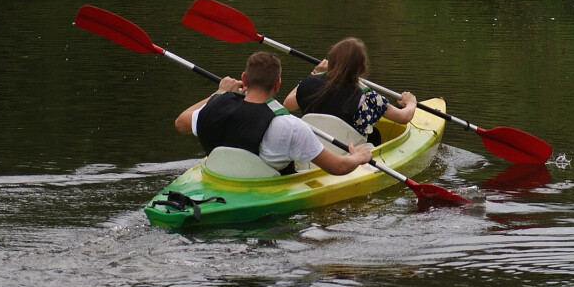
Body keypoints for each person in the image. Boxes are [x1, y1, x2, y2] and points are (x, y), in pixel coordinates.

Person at [175, 51, 372, 176]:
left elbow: (181, 123)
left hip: (220, 179)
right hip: (264, 192)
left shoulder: (215, 108)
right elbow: (338, 168)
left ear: (244, 78)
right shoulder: (290, 126)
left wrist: (219, 93)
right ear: (278, 84)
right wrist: (357, 157)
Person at [283, 37, 417, 144]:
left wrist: (315, 73)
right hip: (349, 153)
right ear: (361, 68)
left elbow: (287, 104)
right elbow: (404, 117)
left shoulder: (308, 85)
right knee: (374, 135)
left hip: (315, 151)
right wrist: (411, 102)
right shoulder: (367, 96)